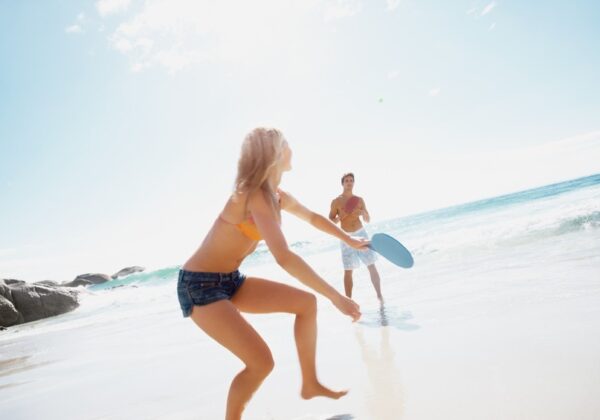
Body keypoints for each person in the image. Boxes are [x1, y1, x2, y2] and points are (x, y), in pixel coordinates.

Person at [178, 128, 366, 420]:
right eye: (286, 143)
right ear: (274, 154)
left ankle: (310, 383)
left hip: (230, 280)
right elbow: (284, 257)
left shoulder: (276, 196)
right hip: (199, 285)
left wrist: (349, 239)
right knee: (261, 363)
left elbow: (314, 218)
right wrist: (335, 296)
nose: (292, 147)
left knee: (306, 304)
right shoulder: (252, 195)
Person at [329, 172, 383, 300]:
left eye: (351, 180)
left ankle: (379, 296)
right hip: (345, 236)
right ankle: (349, 301)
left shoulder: (359, 200)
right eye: (346, 180)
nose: (349, 182)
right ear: (342, 183)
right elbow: (331, 221)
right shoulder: (336, 201)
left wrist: (362, 212)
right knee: (348, 270)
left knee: (371, 265)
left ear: (354, 183)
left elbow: (368, 219)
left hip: (361, 233)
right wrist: (339, 218)